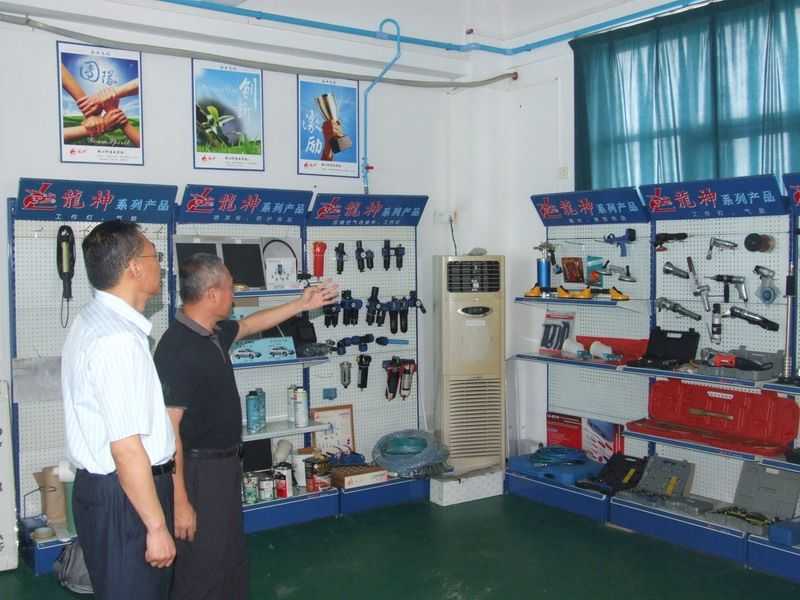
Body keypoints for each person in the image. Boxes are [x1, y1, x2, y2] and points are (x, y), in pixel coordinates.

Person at [153, 253, 337, 600]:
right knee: (202, 565)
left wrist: (302, 303)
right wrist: (181, 502)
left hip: (223, 468)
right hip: (197, 473)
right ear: (211, 295)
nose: (234, 296)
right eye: (229, 288)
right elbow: (169, 433)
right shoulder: (177, 349)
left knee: (229, 557)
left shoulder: (212, 333)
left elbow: (251, 324)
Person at [62, 221, 176, 600]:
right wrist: (156, 526)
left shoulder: (91, 319)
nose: (161, 264)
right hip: (127, 498)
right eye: (155, 256)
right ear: (134, 267)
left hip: (112, 492)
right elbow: (126, 450)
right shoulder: (118, 341)